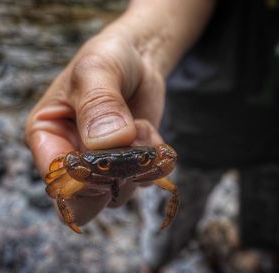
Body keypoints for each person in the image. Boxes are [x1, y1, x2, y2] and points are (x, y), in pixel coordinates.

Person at [25, 0, 279, 272]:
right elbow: (56, 185)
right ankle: (154, 262)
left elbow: (164, 158)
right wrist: (136, 46)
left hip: (272, 144)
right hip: (195, 129)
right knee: (172, 211)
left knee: (270, 224)